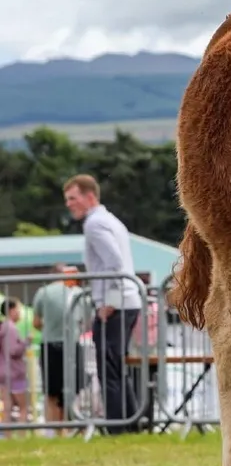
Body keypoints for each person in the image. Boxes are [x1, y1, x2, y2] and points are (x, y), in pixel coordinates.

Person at [63, 174, 144, 435]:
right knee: (116, 367)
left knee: (108, 368)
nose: (69, 204)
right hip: (127, 299)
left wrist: (107, 302)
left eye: (72, 198)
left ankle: (116, 427)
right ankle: (130, 424)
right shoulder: (110, 220)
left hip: (116, 303)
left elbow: (115, 263)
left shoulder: (94, 224)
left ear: (89, 196)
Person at [32, 264, 85, 435]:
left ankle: (55, 430)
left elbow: (36, 322)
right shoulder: (77, 292)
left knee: (51, 393)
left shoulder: (43, 292)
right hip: (73, 344)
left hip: (50, 345)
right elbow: (84, 319)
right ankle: (70, 427)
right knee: (72, 389)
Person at [0, 298, 30, 435]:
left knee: (8, 408)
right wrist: (25, 342)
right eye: (17, 309)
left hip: (4, 372)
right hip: (15, 373)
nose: (19, 313)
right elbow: (13, 350)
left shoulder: (3, 328)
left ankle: (8, 437)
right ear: (11, 311)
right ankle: (22, 436)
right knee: (23, 407)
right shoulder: (11, 328)